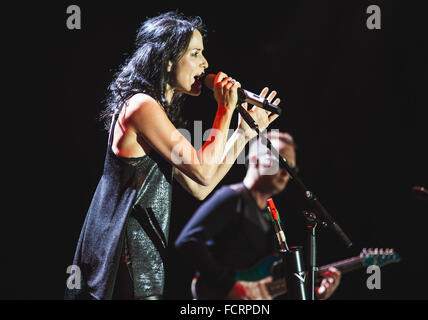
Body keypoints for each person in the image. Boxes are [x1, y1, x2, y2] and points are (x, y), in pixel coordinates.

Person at [65, 12, 280, 300]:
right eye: (195, 53)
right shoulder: (141, 106)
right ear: (167, 59)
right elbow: (204, 171)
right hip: (124, 253)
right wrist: (224, 110)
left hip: (140, 253)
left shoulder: (155, 114)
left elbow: (201, 187)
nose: (205, 64)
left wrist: (243, 133)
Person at [175, 131, 341, 300]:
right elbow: (188, 241)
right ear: (255, 159)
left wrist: (315, 294)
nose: (286, 173)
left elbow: (267, 282)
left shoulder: (273, 216)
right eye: (280, 163)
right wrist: (228, 286)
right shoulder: (231, 197)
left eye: (291, 168)